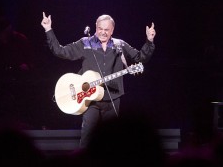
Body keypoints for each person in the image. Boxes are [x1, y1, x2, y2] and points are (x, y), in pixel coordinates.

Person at [41, 12, 156, 148]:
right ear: (96, 27)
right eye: (100, 29)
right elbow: (60, 51)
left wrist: (149, 41)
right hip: (91, 101)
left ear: (112, 30)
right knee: (87, 139)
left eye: (106, 30)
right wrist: (48, 29)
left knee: (112, 139)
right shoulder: (85, 43)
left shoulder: (120, 45)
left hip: (113, 98)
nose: (102, 32)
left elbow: (140, 58)